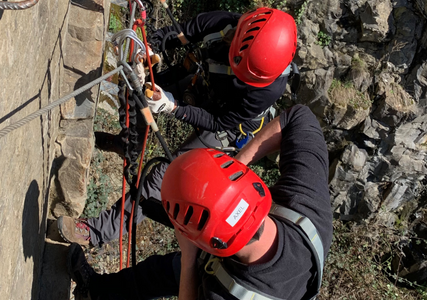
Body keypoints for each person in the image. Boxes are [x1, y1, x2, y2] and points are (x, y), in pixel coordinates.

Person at [58, 7, 298, 247]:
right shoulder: (225, 21)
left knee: (165, 176)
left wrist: (173, 106)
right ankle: (128, 144)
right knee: (138, 88)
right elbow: (182, 32)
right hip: (204, 85)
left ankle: (95, 231)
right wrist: (149, 50)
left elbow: (217, 121)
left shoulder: (267, 90)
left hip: (225, 127)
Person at [67, 104, 333, 300]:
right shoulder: (307, 205)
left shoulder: (222, 295)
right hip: (234, 266)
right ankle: (96, 291)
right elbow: (298, 117)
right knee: (159, 272)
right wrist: (234, 167)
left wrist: (189, 260)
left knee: (179, 270)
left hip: (240, 288)